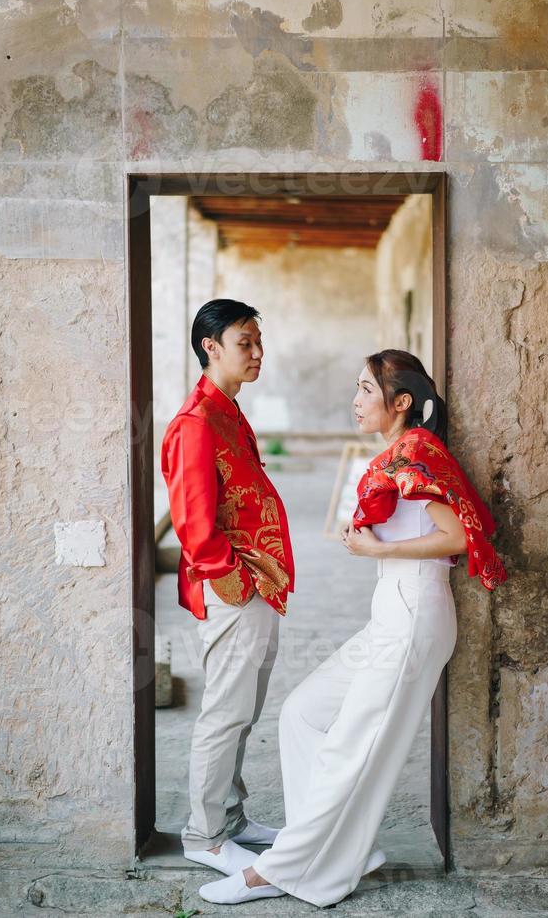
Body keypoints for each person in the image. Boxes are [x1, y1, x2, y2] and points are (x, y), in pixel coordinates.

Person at [198, 349, 507, 907]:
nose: (356, 401)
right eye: (358, 388)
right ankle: (345, 850)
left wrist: (374, 548)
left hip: (413, 616)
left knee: (346, 747)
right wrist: (373, 545)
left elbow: (460, 538)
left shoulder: (418, 455)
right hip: (391, 613)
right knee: (302, 714)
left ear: (402, 402)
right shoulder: (400, 453)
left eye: (367, 390)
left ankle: (277, 871)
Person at [160, 298, 296, 877]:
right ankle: (205, 834)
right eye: (246, 342)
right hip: (235, 588)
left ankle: (233, 819)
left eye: (259, 341)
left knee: (245, 709)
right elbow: (194, 528)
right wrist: (238, 584)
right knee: (224, 711)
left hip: (256, 584)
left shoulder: (229, 412)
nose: (258, 352)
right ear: (210, 347)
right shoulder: (195, 425)